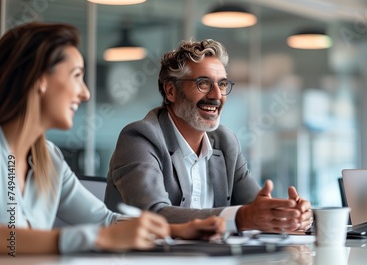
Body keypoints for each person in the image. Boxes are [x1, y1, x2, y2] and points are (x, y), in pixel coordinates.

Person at [0, 22, 225, 255]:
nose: (85, 93)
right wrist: (97, 238)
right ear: (40, 79)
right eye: (76, 76)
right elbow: (10, 242)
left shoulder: (48, 159)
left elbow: (104, 220)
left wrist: (176, 230)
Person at [104, 38, 313, 233]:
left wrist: (290, 215)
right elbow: (154, 215)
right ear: (171, 91)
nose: (216, 96)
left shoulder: (225, 142)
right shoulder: (140, 139)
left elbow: (256, 208)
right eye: (203, 83)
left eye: (222, 84)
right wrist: (240, 218)